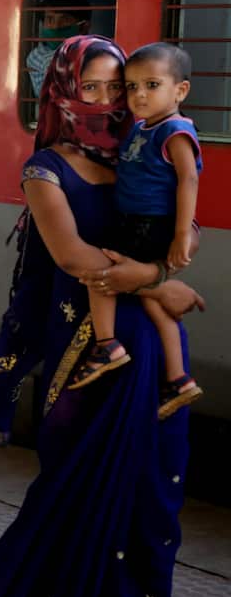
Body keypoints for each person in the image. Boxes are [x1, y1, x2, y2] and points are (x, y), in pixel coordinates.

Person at [0, 34, 205, 597]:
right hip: (90, 351)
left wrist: (160, 268)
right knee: (76, 483)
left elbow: (179, 219)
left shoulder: (142, 155)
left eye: (117, 86)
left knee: (154, 487)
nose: (107, 100)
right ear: (65, 93)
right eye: (93, 87)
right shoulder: (46, 168)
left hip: (155, 346)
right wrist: (163, 280)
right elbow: (75, 257)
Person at [66, 42, 203, 419]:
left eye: (152, 85)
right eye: (131, 86)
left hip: (149, 224)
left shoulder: (174, 131)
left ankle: (106, 345)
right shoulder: (145, 127)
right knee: (155, 305)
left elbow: (188, 179)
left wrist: (179, 235)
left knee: (101, 275)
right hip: (140, 222)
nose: (138, 95)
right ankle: (179, 379)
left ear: (181, 91)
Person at [27, 0, 89, 98]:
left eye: (65, 20)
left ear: (83, 27)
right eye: (50, 19)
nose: (56, 26)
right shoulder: (37, 56)